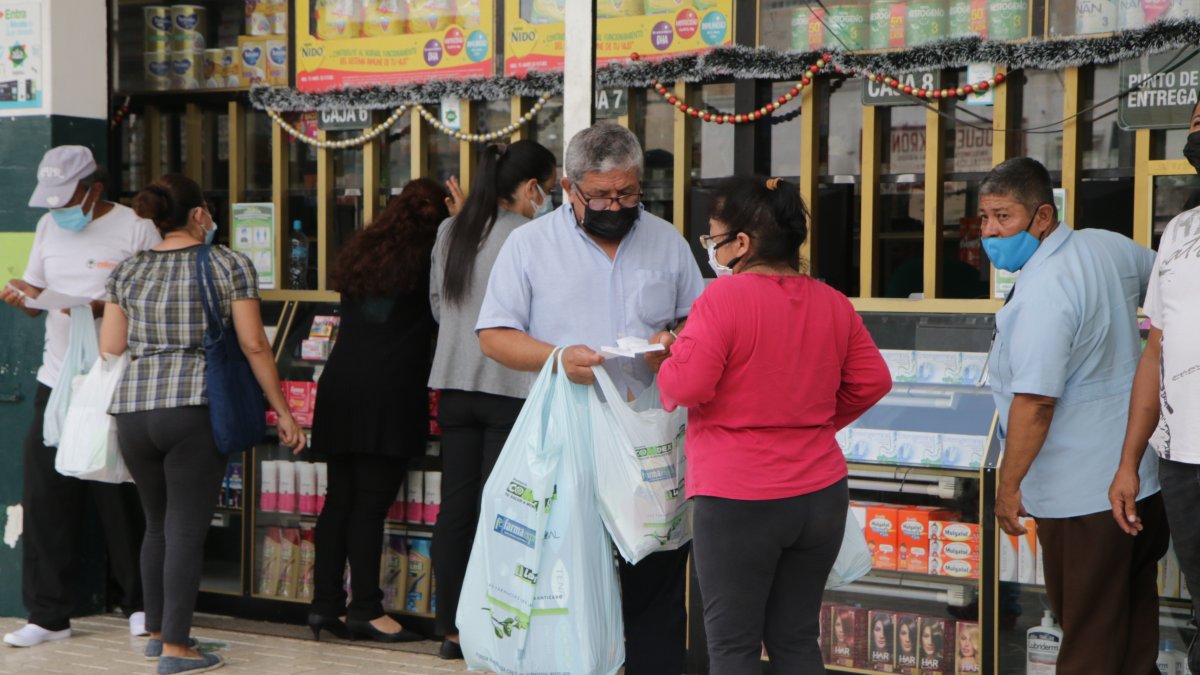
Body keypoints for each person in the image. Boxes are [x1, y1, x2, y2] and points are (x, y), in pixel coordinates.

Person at [476, 122, 705, 674]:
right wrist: (557, 357)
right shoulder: (528, 245)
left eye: (627, 193)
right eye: (601, 195)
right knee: (569, 585)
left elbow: (699, 321)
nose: (616, 205)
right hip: (568, 442)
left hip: (649, 443)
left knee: (655, 582)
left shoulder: (666, 240)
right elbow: (494, 336)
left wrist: (673, 344)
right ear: (568, 189)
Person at [656, 176, 891, 673]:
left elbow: (686, 388)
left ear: (740, 243)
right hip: (820, 495)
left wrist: (670, 354)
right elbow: (872, 381)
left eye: (712, 237)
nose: (710, 249)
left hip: (739, 498)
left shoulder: (721, 301)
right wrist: (816, 424)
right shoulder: (832, 302)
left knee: (733, 646)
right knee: (797, 639)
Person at [98, 173, 304, 674]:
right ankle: (176, 649)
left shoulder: (127, 271)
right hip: (192, 404)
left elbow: (111, 346)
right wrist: (282, 409)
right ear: (197, 214)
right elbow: (255, 344)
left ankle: (155, 632)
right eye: (208, 210)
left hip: (133, 410)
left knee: (157, 525)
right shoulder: (227, 263)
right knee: (187, 530)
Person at [982, 157, 1166, 674]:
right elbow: (1167, 280)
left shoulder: (1046, 288)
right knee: (1130, 635)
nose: (991, 231)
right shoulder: (1106, 247)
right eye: (984, 218)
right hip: (1137, 481)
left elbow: (1036, 402)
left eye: (1004, 217)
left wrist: (1008, 487)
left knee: (1087, 640)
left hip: (1083, 498)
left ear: (1042, 217)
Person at [0, 146, 154, 648]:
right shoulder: (49, 228)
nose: (57, 211)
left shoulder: (136, 228)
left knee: (119, 494)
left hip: (114, 381)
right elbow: (38, 294)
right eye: (50, 202)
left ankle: (141, 605)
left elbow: (153, 303)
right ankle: (48, 615)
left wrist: (99, 306)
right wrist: (25, 296)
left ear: (94, 190)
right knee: (47, 497)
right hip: (56, 378)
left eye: (66, 200)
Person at [427, 141, 557, 660]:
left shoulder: (450, 229)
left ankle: (451, 628)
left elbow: (440, 307)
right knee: (502, 509)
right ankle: (493, 623)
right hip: (509, 388)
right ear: (531, 189)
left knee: (456, 509)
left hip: (455, 387)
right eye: (548, 188)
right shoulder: (532, 236)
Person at [308, 178, 448, 644]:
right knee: (369, 505)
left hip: (339, 385)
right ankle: (365, 609)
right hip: (388, 391)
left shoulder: (364, 249)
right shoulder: (432, 257)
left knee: (337, 502)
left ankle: (324, 605)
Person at [1108, 100, 1200, 674]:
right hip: (1183, 461)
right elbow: (1155, 353)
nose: (1196, 128)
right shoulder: (1180, 230)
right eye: (1194, 118)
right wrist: (1128, 462)